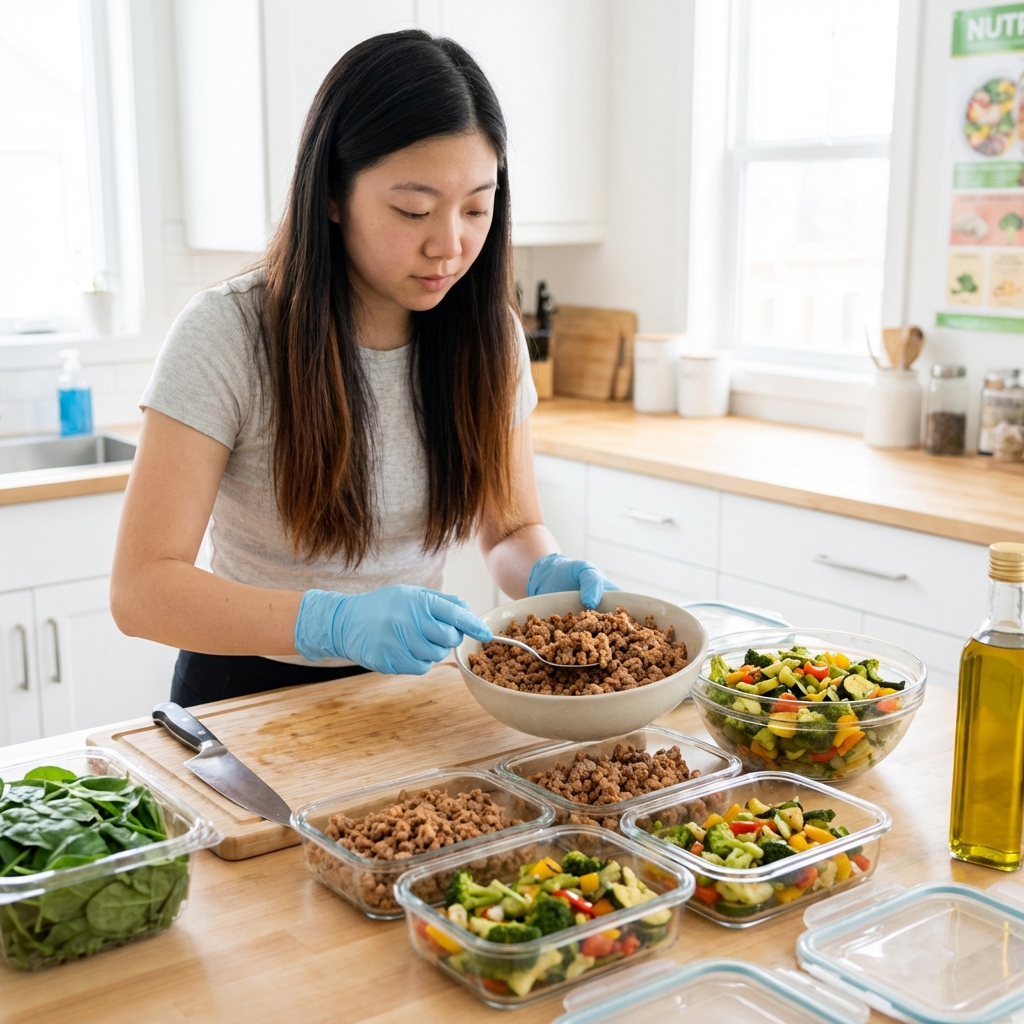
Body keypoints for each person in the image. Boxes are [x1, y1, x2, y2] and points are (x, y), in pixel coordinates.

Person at [110, 30, 617, 707]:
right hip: (243, 699)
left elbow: (510, 530)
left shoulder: (489, 334)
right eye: (413, 210)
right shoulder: (226, 334)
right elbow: (141, 589)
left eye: (476, 206)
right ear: (331, 195)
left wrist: (545, 571)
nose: (450, 244)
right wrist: (331, 622)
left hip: (406, 695)